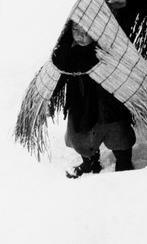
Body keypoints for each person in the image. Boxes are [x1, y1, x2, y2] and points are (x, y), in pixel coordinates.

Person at [52, 21, 136, 178]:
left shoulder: (105, 48)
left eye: (86, 31)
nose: (80, 35)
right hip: (82, 103)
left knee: (118, 133)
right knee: (81, 135)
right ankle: (90, 162)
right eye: (75, 30)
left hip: (108, 101)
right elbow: (59, 64)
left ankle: (124, 163)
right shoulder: (69, 51)